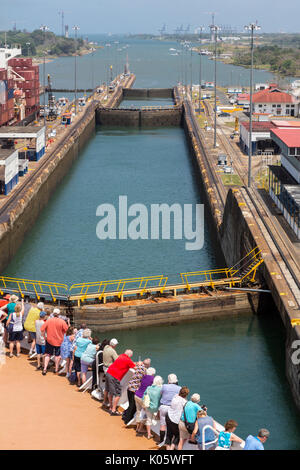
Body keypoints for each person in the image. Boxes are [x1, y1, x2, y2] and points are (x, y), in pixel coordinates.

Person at [104, 349, 136, 416]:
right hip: (114, 376)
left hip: (109, 373)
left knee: (110, 391)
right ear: (130, 356)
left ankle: (110, 407)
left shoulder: (121, 356)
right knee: (118, 394)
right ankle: (113, 410)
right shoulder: (128, 360)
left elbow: (129, 363)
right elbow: (135, 367)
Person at [122, 358, 151, 425]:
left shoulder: (138, 367)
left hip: (129, 387)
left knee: (130, 404)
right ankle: (127, 420)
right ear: (148, 365)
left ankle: (125, 415)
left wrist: (139, 362)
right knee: (133, 406)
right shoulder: (145, 371)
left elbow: (135, 364)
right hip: (134, 389)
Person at [40, 308, 69, 375]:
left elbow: (42, 329)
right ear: (58, 314)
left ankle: (45, 369)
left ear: (53, 313)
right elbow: (67, 331)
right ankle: (56, 369)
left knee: (48, 354)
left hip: (49, 340)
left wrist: (44, 336)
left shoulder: (49, 320)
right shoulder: (62, 322)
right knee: (57, 355)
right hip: (59, 341)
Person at [158, 373, 181, 445]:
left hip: (163, 407)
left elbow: (161, 393)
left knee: (162, 425)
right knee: (171, 426)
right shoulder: (179, 388)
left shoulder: (164, 386)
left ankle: (161, 441)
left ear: (169, 380)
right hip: (172, 409)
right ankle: (171, 442)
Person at [135, 367, 156, 435]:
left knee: (138, 411)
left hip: (137, 395)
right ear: (153, 374)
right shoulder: (152, 379)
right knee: (145, 413)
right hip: (142, 398)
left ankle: (137, 427)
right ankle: (140, 429)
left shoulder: (144, 376)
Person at [142, 375, 163, 440]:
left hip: (149, 407)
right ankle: (160, 437)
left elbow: (144, 397)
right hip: (157, 408)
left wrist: (144, 405)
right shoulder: (161, 389)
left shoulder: (148, 388)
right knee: (160, 421)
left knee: (149, 420)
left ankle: (149, 434)